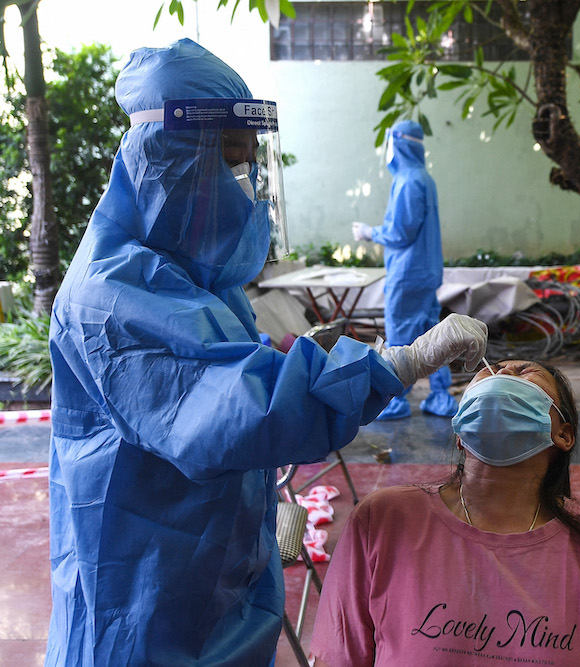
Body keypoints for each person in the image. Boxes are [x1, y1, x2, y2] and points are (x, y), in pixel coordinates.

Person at [45, 39, 488, 666]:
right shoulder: (113, 298)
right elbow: (243, 409)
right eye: (227, 163)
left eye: (249, 165)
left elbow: (230, 367)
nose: (244, 188)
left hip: (209, 575)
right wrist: (398, 363)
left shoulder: (193, 276)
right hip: (141, 602)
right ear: (167, 161)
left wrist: (306, 355)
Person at [310, 359, 580, 666]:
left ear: (564, 434)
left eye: (526, 374)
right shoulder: (384, 520)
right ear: (460, 431)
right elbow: (338, 655)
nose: (504, 373)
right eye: (492, 371)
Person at [352, 119, 456, 420]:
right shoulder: (424, 177)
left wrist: (368, 232)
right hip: (425, 271)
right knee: (433, 336)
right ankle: (440, 396)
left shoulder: (408, 181)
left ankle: (393, 400)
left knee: (399, 337)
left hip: (408, 274)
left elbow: (400, 233)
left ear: (396, 144)